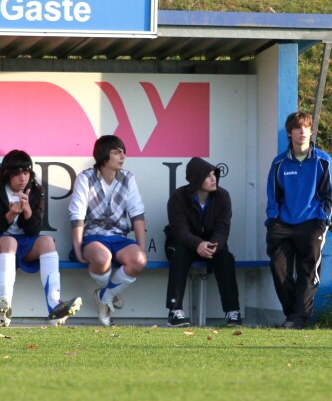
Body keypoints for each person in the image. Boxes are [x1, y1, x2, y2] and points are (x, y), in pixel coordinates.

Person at [0, 150, 82, 327]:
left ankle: (55, 305)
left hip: (21, 243)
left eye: (26, 172)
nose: (22, 178)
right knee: (10, 242)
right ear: (7, 174)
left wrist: (28, 210)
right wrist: (11, 214)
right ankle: (4, 305)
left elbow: (34, 231)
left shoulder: (36, 190)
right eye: (17, 174)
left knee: (47, 241)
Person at [265, 112, 332, 329]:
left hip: (312, 223)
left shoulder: (323, 161)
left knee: (308, 272)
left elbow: (330, 196)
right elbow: (273, 196)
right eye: (298, 128)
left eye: (306, 127)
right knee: (279, 269)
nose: (303, 131)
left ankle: (298, 318)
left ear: (311, 131)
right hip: (283, 225)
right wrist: (273, 220)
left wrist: (323, 221)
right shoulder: (279, 163)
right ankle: (294, 315)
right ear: (290, 133)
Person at [68, 135, 147, 327]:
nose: (123, 156)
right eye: (117, 152)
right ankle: (110, 293)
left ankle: (105, 295)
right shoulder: (85, 178)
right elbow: (77, 214)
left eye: (123, 152)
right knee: (102, 258)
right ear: (104, 155)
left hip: (119, 238)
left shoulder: (128, 178)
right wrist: (78, 249)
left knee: (139, 260)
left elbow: (137, 214)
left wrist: (141, 248)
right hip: (93, 238)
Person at [165, 157, 242, 328]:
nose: (214, 179)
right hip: (183, 243)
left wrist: (213, 245)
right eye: (208, 176)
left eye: (214, 174)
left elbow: (223, 228)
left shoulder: (222, 196)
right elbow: (178, 230)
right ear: (196, 178)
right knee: (179, 253)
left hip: (210, 245)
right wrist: (198, 244)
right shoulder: (178, 197)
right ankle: (174, 311)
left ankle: (232, 312)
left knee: (225, 256)